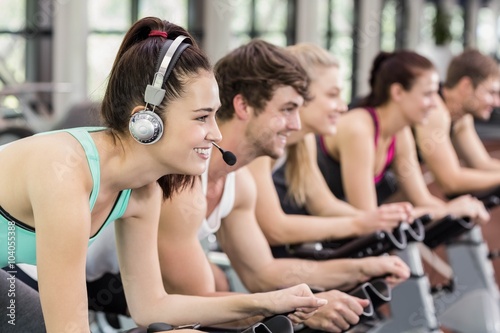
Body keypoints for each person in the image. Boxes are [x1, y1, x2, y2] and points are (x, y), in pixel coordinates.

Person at [0, 17, 327, 332]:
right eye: (201, 118)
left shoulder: (143, 194)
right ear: (146, 120)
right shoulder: (65, 173)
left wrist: (266, 303)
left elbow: (152, 306)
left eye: (214, 116)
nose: (216, 134)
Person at [155, 39, 412, 333]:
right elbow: (198, 302)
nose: (296, 125)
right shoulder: (183, 181)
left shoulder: (239, 184)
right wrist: (296, 308)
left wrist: (362, 268)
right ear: (243, 106)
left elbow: (263, 273)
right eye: (287, 110)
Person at [246, 43, 415, 259]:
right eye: (332, 95)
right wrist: (358, 223)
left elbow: (324, 205)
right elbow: (275, 229)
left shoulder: (302, 141)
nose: (343, 107)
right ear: (299, 94)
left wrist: (380, 218)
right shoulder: (261, 144)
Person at [315, 50, 489, 224]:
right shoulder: (359, 129)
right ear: (397, 92)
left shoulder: (400, 133)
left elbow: (422, 200)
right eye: (428, 94)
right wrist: (446, 211)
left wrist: (458, 209)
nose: (435, 104)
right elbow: (370, 218)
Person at [413, 49, 500, 199]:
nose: (497, 102)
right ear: (466, 85)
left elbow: (481, 163)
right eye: (491, 93)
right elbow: (450, 181)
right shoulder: (434, 110)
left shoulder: (461, 117)